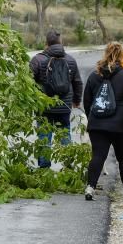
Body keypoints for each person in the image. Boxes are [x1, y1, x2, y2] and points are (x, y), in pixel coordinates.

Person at [83, 42, 123, 203]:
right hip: (121, 124)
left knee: (98, 156)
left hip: (98, 123)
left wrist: (93, 118)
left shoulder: (94, 75)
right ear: (122, 56)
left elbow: (87, 100)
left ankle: (90, 187)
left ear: (105, 54)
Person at [29, 29, 83, 168]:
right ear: (60, 42)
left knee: (44, 138)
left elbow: (28, 82)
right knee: (65, 136)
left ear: (46, 43)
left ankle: (44, 170)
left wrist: (33, 100)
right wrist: (77, 100)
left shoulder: (37, 60)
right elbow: (77, 82)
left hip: (44, 106)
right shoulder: (70, 60)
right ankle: (68, 166)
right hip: (64, 106)